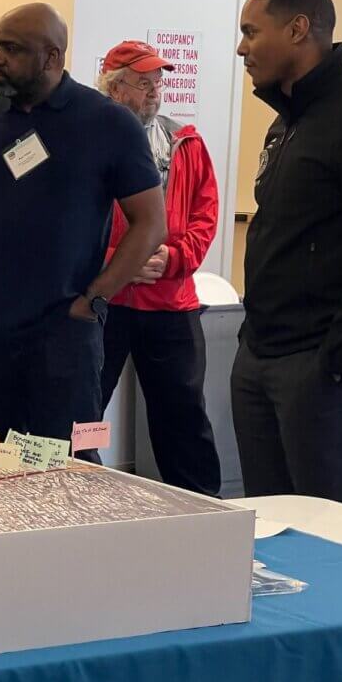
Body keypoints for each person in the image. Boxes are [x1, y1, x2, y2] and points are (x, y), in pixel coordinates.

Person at [0, 4, 165, 455]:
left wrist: (96, 297)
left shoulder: (108, 123)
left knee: (68, 474)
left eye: (11, 49)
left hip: (65, 337)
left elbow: (151, 223)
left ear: (52, 58)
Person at [232, 0, 342, 508]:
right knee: (268, 522)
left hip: (321, 360)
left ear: (299, 28)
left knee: (328, 523)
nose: (242, 48)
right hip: (261, 348)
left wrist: (337, 355)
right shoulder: (288, 120)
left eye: (252, 32)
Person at [96, 40, 221, 495]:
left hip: (170, 302)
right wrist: (117, 266)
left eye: (158, 82)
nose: (154, 92)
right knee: (82, 411)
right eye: (142, 83)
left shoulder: (186, 142)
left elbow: (205, 218)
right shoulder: (85, 145)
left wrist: (175, 258)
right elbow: (67, 224)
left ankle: (204, 513)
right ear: (112, 87)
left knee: (182, 416)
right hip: (104, 301)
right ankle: (66, 508)